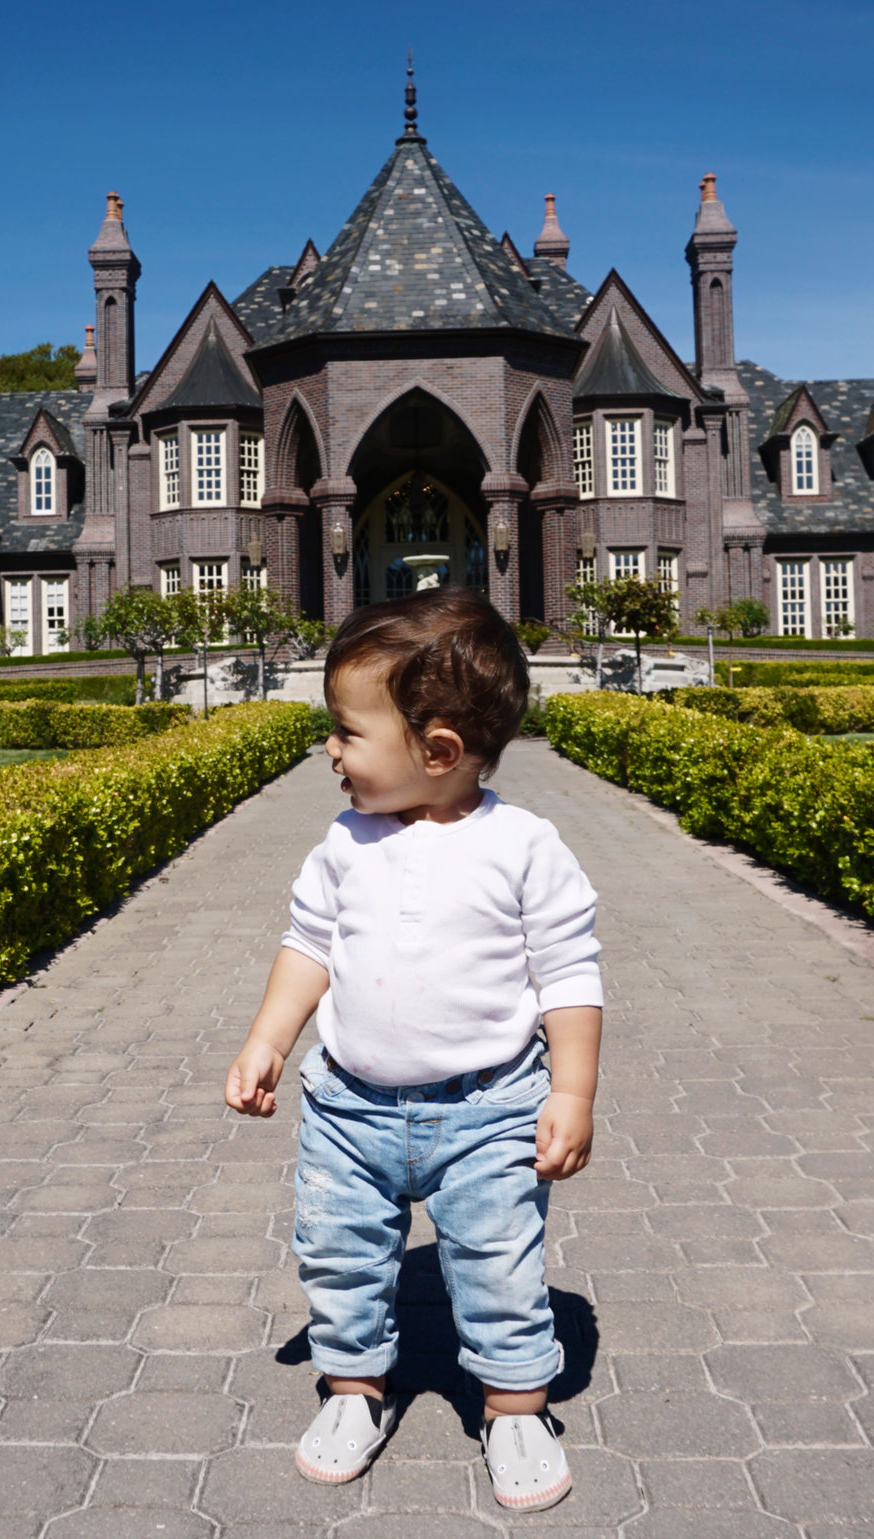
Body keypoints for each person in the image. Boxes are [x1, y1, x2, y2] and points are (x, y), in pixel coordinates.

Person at [224, 588, 602, 1513]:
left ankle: (516, 1406)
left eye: (348, 732)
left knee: (499, 1264)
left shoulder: (522, 846)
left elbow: (569, 972)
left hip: (491, 1108)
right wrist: (269, 1038)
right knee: (342, 1257)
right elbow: (308, 945)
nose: (330, 750)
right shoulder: (344, 845)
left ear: (437, 751)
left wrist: (575, 1091)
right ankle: (354, 1389)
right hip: (350, 1107)